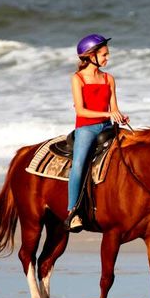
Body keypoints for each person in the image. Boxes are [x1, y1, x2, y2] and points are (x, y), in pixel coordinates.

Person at [64, 34, 129, 232]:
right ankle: (72, 211)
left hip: (108, 126)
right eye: (104, 55)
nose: (107, 58)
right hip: (86, 128)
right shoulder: (78, 79)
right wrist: (108, 113)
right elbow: (81, 111)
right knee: (79, 163)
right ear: (90, 55)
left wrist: (119, 116)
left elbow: (114, 108)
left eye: (107, 55)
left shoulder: (109, 79)